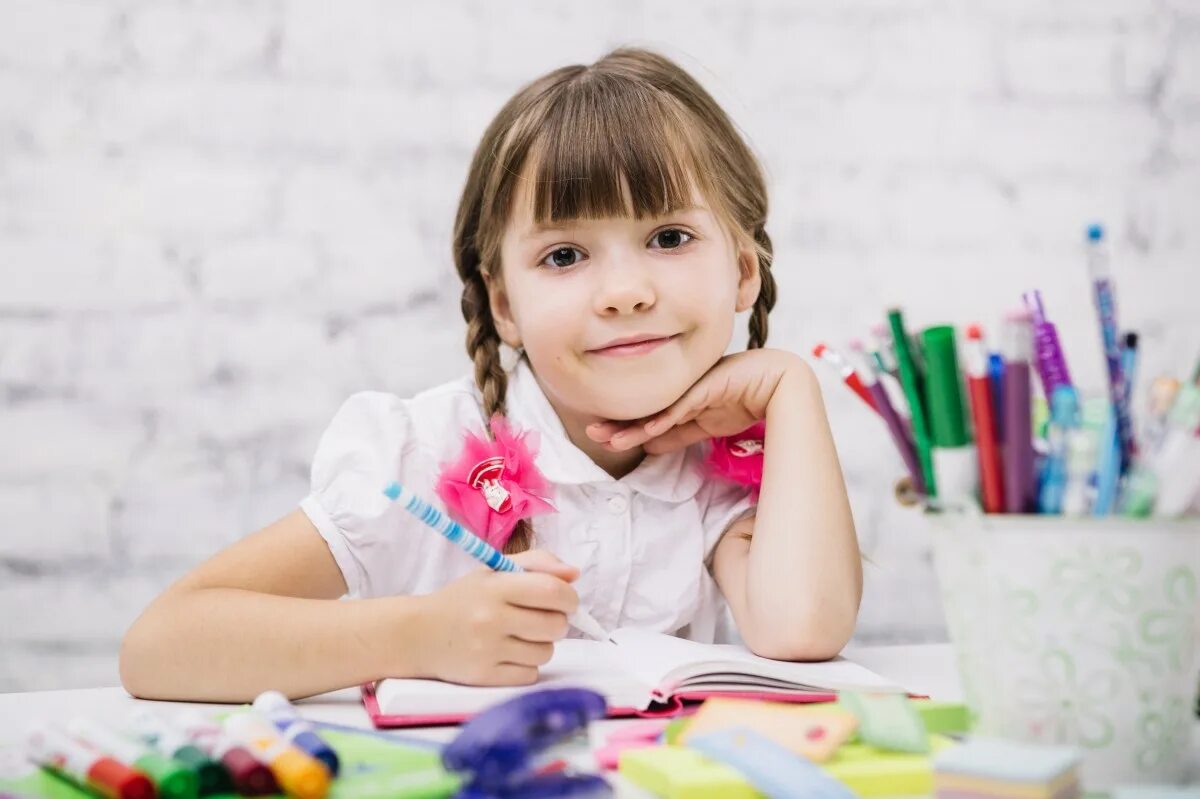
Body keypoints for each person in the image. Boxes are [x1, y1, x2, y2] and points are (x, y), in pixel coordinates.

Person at [120, 47, 861, 702]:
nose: (625, 291)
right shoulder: (420, 452)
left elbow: (799, 629)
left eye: (669, 237)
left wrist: (791, 388)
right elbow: (160, 645)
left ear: (741, 271)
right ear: (504, 303)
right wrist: (418, 634)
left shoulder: (722, 471)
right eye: (565, 256)